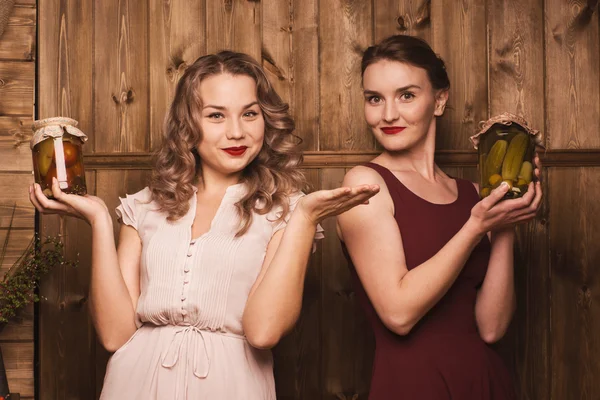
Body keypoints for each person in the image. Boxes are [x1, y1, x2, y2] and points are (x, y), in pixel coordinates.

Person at [29, 51, 379, 399]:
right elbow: (114, 335)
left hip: (232, 386)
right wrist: (99, 222)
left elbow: (264, 332)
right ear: (188, 126)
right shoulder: (144, 206)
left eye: (250, 114)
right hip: (134, 384)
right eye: (216, 115)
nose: (237, 132)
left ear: (266, 119)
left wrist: (304, 218)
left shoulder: (287, 209)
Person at [336, 35, 542, 399]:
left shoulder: (470, 195)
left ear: (439, 100)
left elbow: (492, 328)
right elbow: (398, 314)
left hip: (485, 381)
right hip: (413, 385)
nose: (387, 114)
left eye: (407, 95)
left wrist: (504, 225)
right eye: (374, 99)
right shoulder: (365, 184)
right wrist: (476, 226)